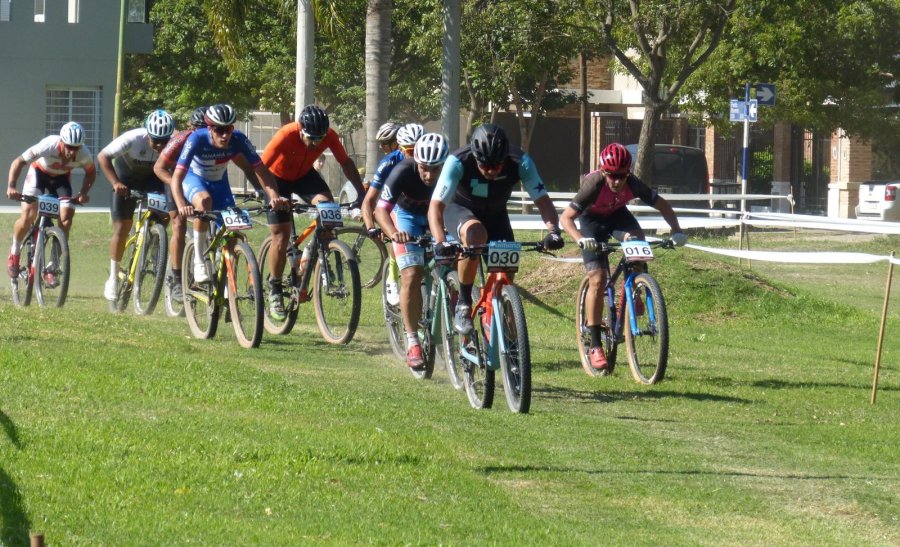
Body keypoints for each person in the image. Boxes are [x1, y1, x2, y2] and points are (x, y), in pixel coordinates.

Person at [559, 142, 687, 371]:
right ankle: (595, 343)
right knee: (597, 279)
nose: (617, 181)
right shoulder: (593, 184)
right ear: (603, 172)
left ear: (628, 172)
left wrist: (677, 231)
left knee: (638, 240)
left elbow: (664, 206)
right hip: (591, 223)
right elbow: (566, 218)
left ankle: (637, 289)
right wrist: (579, 238)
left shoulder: (634, 183)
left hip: (618, 216)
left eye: (622, 175)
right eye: (612, 175)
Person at [428, 123, 564, 336]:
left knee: (506, 270)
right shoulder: (458, 161)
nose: (491, 171)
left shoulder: (521, 162)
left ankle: (493, 313)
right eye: (485, 166)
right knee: (475, 234)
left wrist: (554, 230)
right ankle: (463, 304)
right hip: (460, 210)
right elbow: (435, 207)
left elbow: (543, 201)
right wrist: (439, 240)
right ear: (475, 157)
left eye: (497, 166)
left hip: (496, 215)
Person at [260, 104, 366, 320]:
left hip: (303, 177)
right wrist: (271, 196)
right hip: (276, 180)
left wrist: (361, 194)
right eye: (311, 138)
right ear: (300, 129)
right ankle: (275, 288)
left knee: (327, 207)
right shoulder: (285, 135)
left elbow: (345, 163)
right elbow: (260, 167)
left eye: (320, 139)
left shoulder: (329, 136)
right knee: (281, 234)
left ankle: (315, 250)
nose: (316, 143)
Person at [169, 104, 286, 285]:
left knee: (234, 233)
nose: (225, 135)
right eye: (219, 130)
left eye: (229, 129)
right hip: (194, 179)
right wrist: (180, 204)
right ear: (210, 128)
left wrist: (272, 195)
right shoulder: (196, 139)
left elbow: (260, 170)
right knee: (204, 201)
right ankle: (199, 259)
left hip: (219, 183)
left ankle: (224, 278)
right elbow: (176, 178)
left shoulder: (238, 139)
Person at [374, 132, 450, 369]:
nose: (429, 175)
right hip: (405, 218)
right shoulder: (402, 171)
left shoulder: (454, 171)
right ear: (416, 162)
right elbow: (381, 210)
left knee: (454, 259)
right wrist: (393, 232)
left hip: (437, 215)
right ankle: (412, 341)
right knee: (412, 273)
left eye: (436, 169)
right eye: (424, 168)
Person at [98, 109, 176, 301]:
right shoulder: (132, 138)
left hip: (154, 180)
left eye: (164, 141)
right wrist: (116, 183)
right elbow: (103, 156)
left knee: (166, 212)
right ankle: (113, 278)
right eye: (155, 141)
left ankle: (157, 242)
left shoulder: (175, 142)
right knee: (122, 227)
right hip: (126, 180)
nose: (160, 146)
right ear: (147, 134)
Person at [6, 122, 96, 279]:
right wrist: (11, 187)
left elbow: (91, 172)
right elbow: (18, 162)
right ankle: (15, 252)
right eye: (68, 146)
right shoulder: (49, 145)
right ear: (61, 141)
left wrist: (83, 192)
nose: (71, 151)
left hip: (61, 180)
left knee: (66, 218)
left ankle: (52, 265)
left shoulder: (84, 153)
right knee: (28, 215)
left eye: (76, 147)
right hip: (39, 174)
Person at [363, 122, 423, 306]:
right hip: (395, 204)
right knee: (397, 230)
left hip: (421, 206)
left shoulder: (430, 158)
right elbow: (369, 200)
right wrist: (371, 227)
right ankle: (391, 278)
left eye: (384, 144)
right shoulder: (389, 162)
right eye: (410, 151)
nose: (382, 148)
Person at [153, 106, 207, 302]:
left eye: (206, 128)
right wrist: (176, 185)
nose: (201, 133)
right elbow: (159, 168)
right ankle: (176, 278)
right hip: (176, 179)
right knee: (179, 222)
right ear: (190, 127)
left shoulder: (216, 141)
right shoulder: (180, 139)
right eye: (197, 128)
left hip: (200, 182)